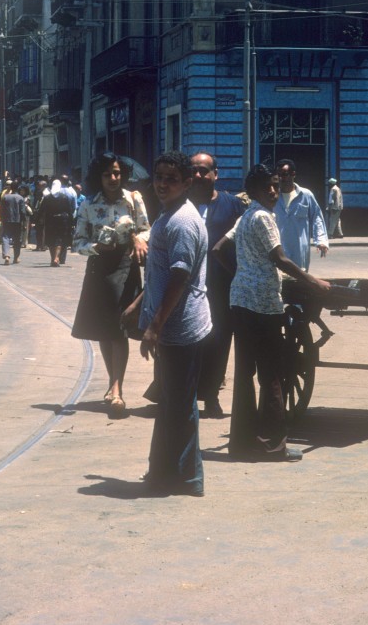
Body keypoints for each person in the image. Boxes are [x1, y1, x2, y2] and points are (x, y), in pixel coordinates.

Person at [214, 164, 330, 462]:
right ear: (252, 190)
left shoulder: (245, 216)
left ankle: (241, 443)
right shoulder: (264, 217)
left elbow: (218, 249)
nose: (274, 191)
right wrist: (312, 281)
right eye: (267, 186)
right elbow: (279, 258)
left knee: (245, 373)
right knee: (272, 374)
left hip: (240, 300)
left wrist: (242, 274)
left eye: (276, 185)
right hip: (263, 305)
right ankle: (273, 446)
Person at [133, 150, 210, 497]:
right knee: (174, 403)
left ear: (187, 182)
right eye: (158, 177)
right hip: (171, 326)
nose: (162, 184)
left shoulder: (182, 221)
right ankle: (167, 473)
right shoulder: (169, 214)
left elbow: (179, 276)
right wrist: (138, 306)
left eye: (171, 179)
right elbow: (160, 273)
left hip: (180, 328)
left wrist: (155, 325)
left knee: (178, 406)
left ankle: (187, 479)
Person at [72, 152, 150, 418]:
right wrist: (96, 247)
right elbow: (78, 242)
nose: (113, 178)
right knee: (106, 331)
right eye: (107, 174)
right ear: (99, 177)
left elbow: (146, 228)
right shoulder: (87, 205)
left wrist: (139, 239)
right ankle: (113, 383)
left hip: (126, 268)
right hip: (99, 270)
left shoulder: (134, 199)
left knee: (120, 328)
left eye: (117, 173)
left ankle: (117, 389)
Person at [189, 152, 247, 419]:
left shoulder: (232, 205)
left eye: (204, 170)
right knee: (188, 342)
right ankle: (183, 394)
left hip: (222, 286)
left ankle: (211, 396)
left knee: (219, 341)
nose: (199, 175)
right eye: (194, 171)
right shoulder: (181, 205)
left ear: (215, 174)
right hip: (187, 287)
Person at [272, 159, 328, 270]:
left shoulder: (306, 195)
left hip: (299, 250)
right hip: (278, 250)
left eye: (284, 174)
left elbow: (317, 217)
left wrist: (321, 240)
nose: (281, 178)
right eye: (278, 175)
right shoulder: (273, 197)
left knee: (300, 280)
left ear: (293, 174)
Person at [42, 175, 77, 267]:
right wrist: (71, 221)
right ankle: (56, 258)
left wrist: (38, 219)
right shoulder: (64, 197)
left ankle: (52, 258)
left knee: (50, 239)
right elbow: (69, 210)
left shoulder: (47, 197)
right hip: (62, 221)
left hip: (50, 221)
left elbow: (42, 209)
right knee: (59, 239)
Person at [0, 181, 30, 265]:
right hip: (17, 221)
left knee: (5, 237)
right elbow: (23, 212)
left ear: (11, 188)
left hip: (7, 221)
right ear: (18, 188)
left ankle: (6, 256)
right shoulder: (20, 198)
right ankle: (16, 258)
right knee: (17, 239)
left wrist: (2, 219)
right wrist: (24, 223)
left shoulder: (5, 197)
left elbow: (1, 210)